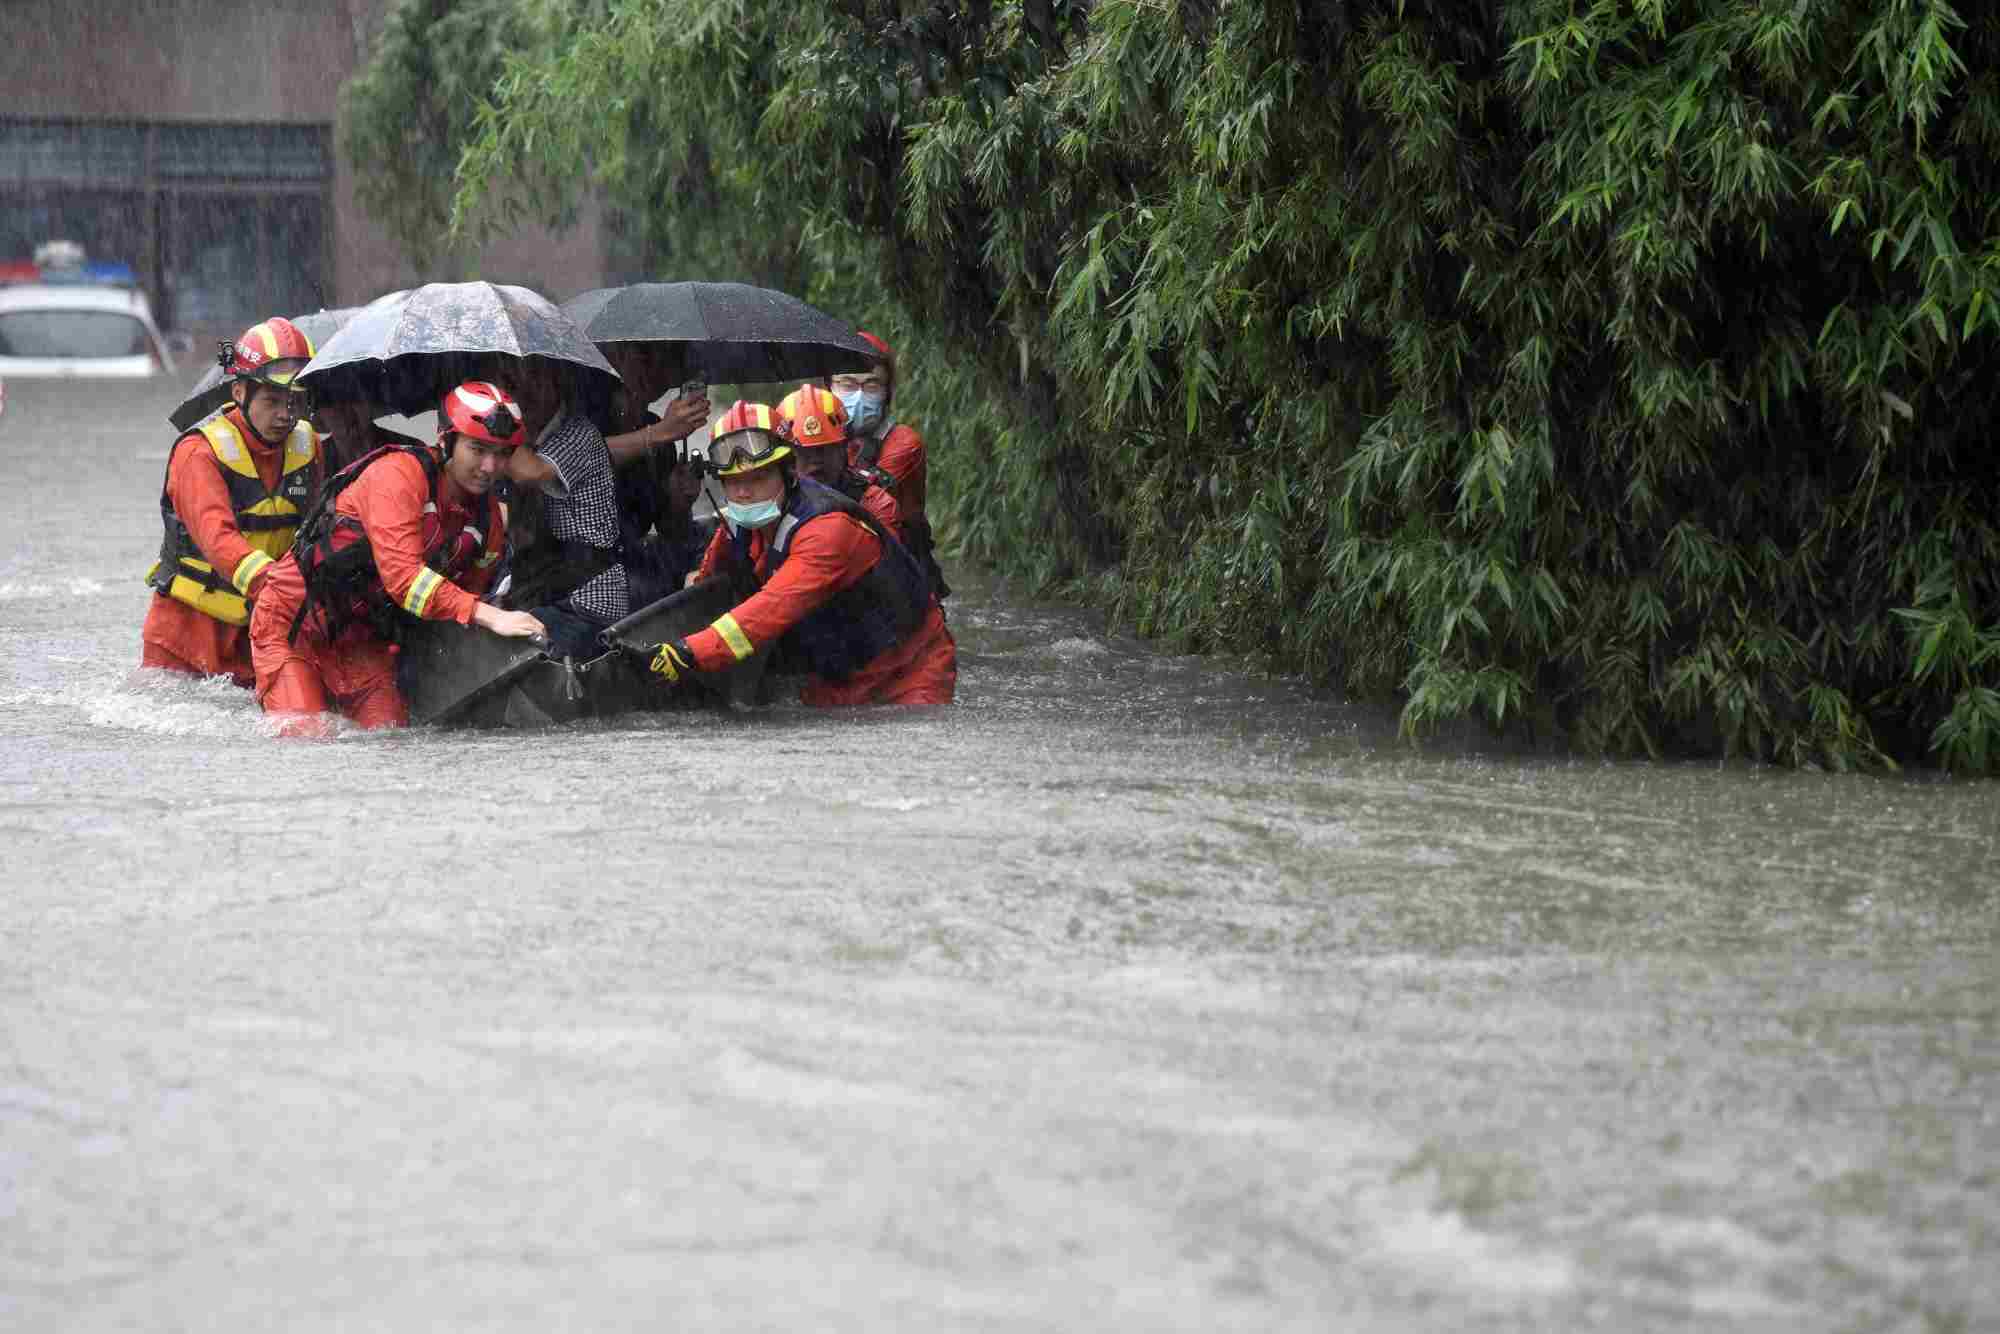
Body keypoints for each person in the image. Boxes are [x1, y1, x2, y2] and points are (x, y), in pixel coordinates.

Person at [247, 380, 545, 736]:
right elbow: (405, 581)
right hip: (295, 625)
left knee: (392, 740)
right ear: (445, 439)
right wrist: (491, 615)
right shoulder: (398, 475)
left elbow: (464, 602)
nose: (489, 466)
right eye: (477, 449)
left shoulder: (489, 520)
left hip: (363, 640)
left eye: (502, 453)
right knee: (307, 737)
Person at [646, 401, 955, 706]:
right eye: (733, 482)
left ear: (789, 472)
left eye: (758, 478)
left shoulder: (828, 530)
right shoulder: (739, 521)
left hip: (909, 674)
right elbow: (707, 582)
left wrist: (687, 652)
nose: (744, 493)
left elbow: (769, 610)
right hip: (833, 677)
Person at [140, 316, 325, 687]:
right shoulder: (199, 452)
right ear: (239, 392)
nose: (285, 415)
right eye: (272, 401)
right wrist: (279, 588)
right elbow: (217, 537)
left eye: (294, 402)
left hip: (260, 634)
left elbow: (316, 532)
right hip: (185, 638)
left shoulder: (309, 445)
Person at [493, 357, 631, 659]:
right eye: (514, 385)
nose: (525, 393)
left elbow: (529, 472)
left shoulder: (578, 432)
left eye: (535, 380)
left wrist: (494, 427)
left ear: (558, 382)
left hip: (588, 601)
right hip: (543, 591)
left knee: (506, 655)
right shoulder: (520, 445)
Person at [832, 330, 949, 598]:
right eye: (847, 384)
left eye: (872, 385)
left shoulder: (904, 442)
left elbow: (859, 499)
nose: (859, 397)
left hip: (901, 574)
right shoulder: (819, 438)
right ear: (829, 386)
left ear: (887, 393)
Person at [598, 342, 713, 606]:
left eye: (668, 361)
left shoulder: (656, 429)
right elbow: (579, 459)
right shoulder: (588, 417)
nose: (656, 370)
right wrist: (662, 433)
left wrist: (680, 500)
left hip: (635, 557)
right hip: (586, 568)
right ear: (617, 356)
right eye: (645, 356)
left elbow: (672, 530)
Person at [773, 383, 902, 537]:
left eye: (825, 449)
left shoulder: (875, 502)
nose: (815, 459)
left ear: (844, 448)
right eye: (804, 452)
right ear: (785, 459)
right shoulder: (770, 505)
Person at [311, 390, 423, 478]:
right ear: (319, 416)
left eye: (353, 396)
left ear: (370, 402)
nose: (344, 409)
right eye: (329, 400)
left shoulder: (409, 451)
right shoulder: (312, 464)